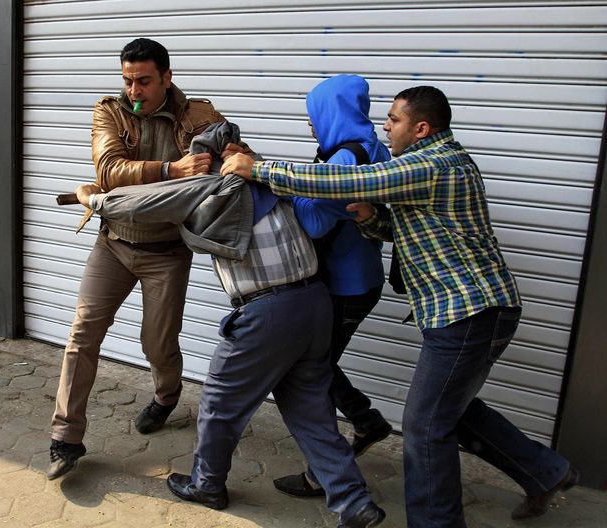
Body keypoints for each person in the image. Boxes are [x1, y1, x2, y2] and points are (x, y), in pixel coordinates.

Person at [220, 86, 576, 527]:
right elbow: (414, 229)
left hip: (470, 312)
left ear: (421, 128)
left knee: (426, 427)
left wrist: (260, 168)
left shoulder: (431, 163)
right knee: (453, 411)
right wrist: (374, 219)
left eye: (394, 120)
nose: (384, 126)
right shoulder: (438, 164)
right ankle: (546, 472)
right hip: (476, 311)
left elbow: (346, 180)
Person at [71, 125, 386, 526]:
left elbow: (137, 205)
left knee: (219, 402)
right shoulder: (271, 176)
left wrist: (92, 198)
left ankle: (207, 483)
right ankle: (353, 502)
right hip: (314, 303)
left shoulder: (207, 186)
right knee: (310, 411)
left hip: (268, 312)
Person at [48, 37, 253, 481]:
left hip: (168, 252)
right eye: (127, 81)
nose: (134, 91)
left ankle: (166, 395)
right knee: (82, 335)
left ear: (166, 77)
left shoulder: (198, 114)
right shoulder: (111, 111)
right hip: (114, 243)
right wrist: (172, 170)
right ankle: (65, 438)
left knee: (158, 344)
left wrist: (235, 157)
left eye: (143, 81)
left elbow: (241, 157)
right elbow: (108, 170)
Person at [273, 75, 393, 499]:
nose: (310, 125)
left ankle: (322, 473)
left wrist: (288, 192)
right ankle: (365, 420)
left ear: (332, 113)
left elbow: (315, 219)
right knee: (315, 364)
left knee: (309, 373)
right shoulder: (370, 146)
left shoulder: (345, 160)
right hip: (360, 281)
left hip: (346, 285)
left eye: (314, 116)